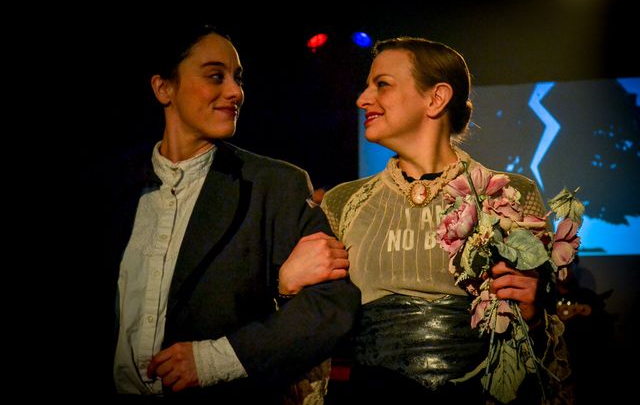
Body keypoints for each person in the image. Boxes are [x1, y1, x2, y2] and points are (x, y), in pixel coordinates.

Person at [281, 37, 571, 403]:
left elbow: (541, 348)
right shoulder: (343, 202)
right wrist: (285, 286)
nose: (362, 99)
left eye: (381, 85)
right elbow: (312, 327)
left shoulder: (510, 193)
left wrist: (532, 316)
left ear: (436, 98)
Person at [106, 24, 361, 403]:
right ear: (164, 88)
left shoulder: (274, 185)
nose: (235, 92)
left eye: (238, 78)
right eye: (215, 76)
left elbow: (331, 306)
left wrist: (213, 360)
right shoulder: (111, 190)